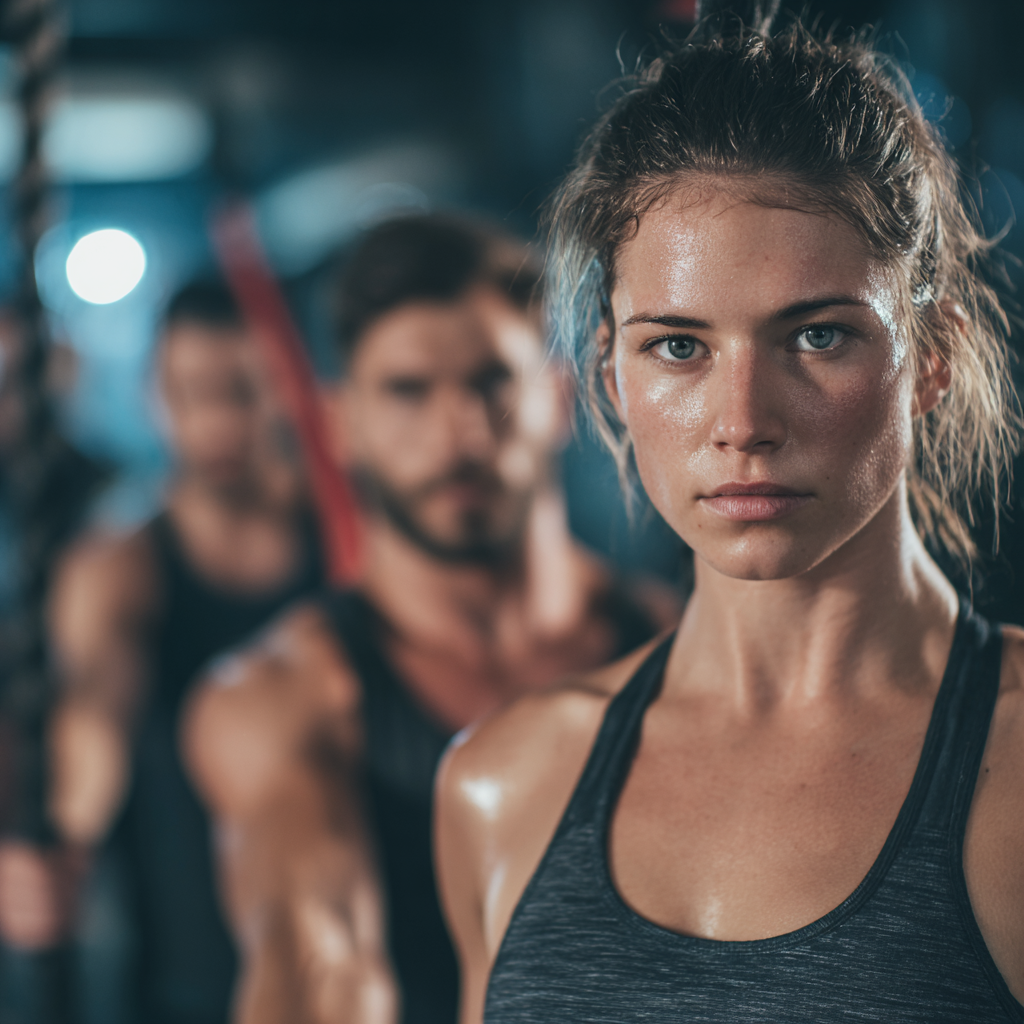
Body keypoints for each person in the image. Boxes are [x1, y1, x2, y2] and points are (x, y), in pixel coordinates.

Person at [435, 10, 1024, 1024]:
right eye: (679, 347)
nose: (743, 423)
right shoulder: (506, 782)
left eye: (818, 336)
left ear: (928, 355)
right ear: (607, 375)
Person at [184, 215, 679, 1024]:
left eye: (491, 382)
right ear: (340, 422)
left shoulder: (679, 648)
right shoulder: (284, 698)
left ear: (556, 397)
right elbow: (319, 963)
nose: (460, 434)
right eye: (409, 392)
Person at [45, 281, 325, 1024]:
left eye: (243, 389)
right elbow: (97, 704)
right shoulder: (120, 565)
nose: (217, 421)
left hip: (367, 967)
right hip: (189, 983)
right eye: (189, 392)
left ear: (292, 385)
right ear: (152, 395)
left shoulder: (357, 542)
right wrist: (63, 829)